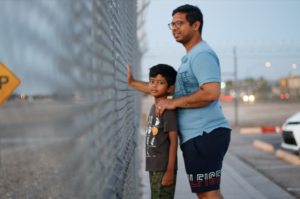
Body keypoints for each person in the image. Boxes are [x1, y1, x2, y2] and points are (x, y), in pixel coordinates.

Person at [128, 4, 231, 199]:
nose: (174, 28)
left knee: (209, 193)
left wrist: (173, 103)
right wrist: (132, 82)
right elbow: (162, 90)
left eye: (179, 23)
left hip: (206, 133)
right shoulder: (189, 58)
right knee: (205, 193)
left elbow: (211, 93)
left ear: (196, 25)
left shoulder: (201, 54)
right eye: (172, 24)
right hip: (198, 136)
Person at [129, 64, 178, 199]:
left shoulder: (167, 111)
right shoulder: (153, 108)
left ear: (170, 88)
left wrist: (169, 171)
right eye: (152, 81)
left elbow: (174, 142)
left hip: (163, 167)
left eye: (160, 83)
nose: (154, 86)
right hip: (154, 167)